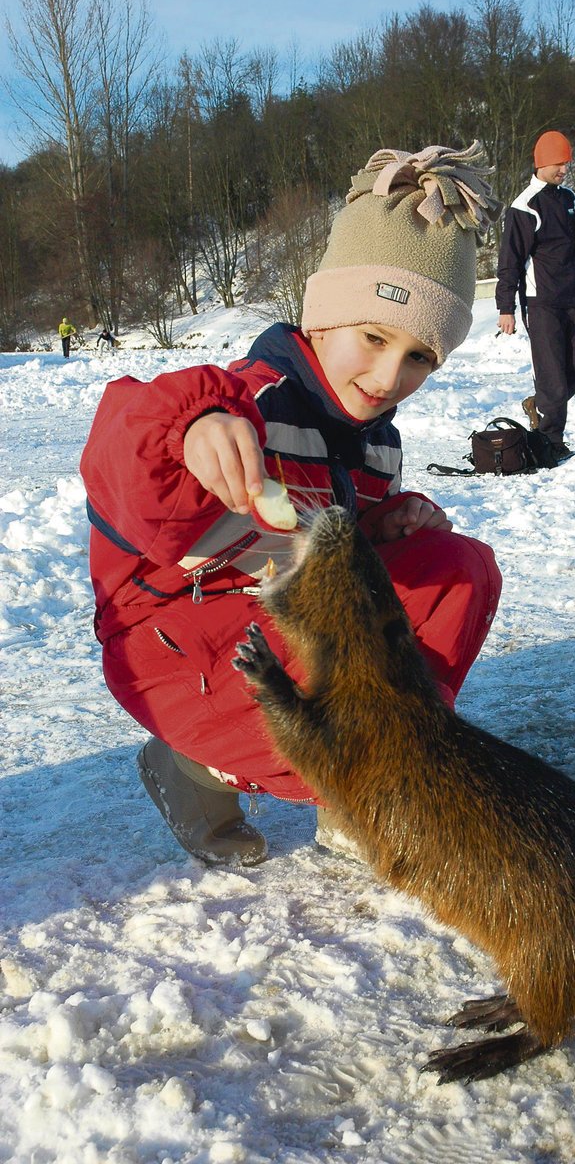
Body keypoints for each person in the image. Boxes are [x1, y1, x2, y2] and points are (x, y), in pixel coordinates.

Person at [80, 142, 504, 868]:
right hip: (175, 652)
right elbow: (123, 456)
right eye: (372, 337)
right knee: (332, 713)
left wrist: (386, 524)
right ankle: (191, 769)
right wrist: (190, 428)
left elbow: (330, 553)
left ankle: (382, 774)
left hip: (276, 632)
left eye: (418, 358)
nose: (387, 375)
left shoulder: (374, 446)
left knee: (456, 566)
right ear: (320, 317)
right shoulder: (243, 400)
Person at [495, 130, 575, 463]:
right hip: (542, 303)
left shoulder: (570, 199)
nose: (564, 170)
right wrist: (506, 307)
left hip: (574, 298)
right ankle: (550, 440)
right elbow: (510, 260)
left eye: (567, 164)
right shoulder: (525, 206)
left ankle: (541, 404)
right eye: (559, 163)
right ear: (542, 162)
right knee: (553, 375)